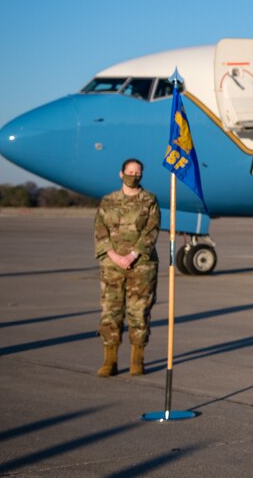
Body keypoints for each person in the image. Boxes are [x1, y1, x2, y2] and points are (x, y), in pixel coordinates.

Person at [93, 157, 160, 377]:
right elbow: (100, 231)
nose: (134, 175)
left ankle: (137, 360)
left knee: (139, 312)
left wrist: (132, 255)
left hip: (141, 264)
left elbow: (151, 231)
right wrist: (113, 255)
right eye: (130, 172)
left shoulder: (149, 200)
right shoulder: (108, 200)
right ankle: (109, 361)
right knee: (111, 311)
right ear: (121, 174)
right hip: (111, 264)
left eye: (137, 172)